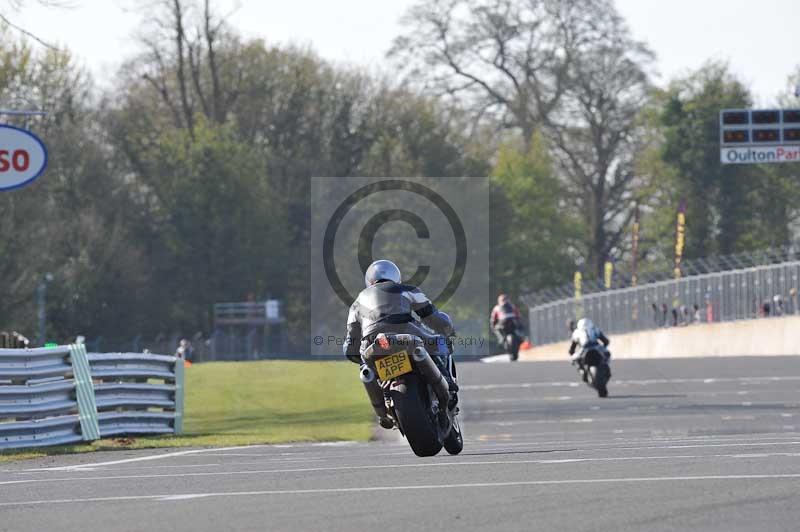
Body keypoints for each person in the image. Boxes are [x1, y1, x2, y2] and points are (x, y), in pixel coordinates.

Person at [343, 259, 458, 428]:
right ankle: (448, 385)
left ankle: (383, 412)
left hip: (372, 343)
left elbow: (351, 338)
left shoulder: (357, 303)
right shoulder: (407, 289)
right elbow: (431, 317)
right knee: (439, 342)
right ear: (395, 276)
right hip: (407, 334)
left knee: (366, 370)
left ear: (369, 281)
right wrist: (447, 329)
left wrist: (353, 355)